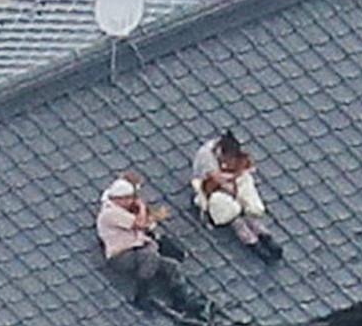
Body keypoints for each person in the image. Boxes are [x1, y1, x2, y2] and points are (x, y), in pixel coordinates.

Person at [95, 176, 201, 313]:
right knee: (149, 255)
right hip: (121, 256)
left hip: (136, 252)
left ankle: (181, 299)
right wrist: (141, 207)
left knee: (171, 265)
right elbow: (140, 224)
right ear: (119, 199)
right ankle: (142, 295)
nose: (131, 201)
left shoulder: (121, 211)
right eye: (128, 198)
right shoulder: (110, 213)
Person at [191, 130, 281, 261]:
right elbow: (215, 181)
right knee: (232, 213)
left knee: (246, 186)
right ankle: (252, 242)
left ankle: (263, 234)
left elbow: (242, 170)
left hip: (227, 182)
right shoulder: (207, 158)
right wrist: (235, 196)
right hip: (207, 189)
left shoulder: (229, 150)